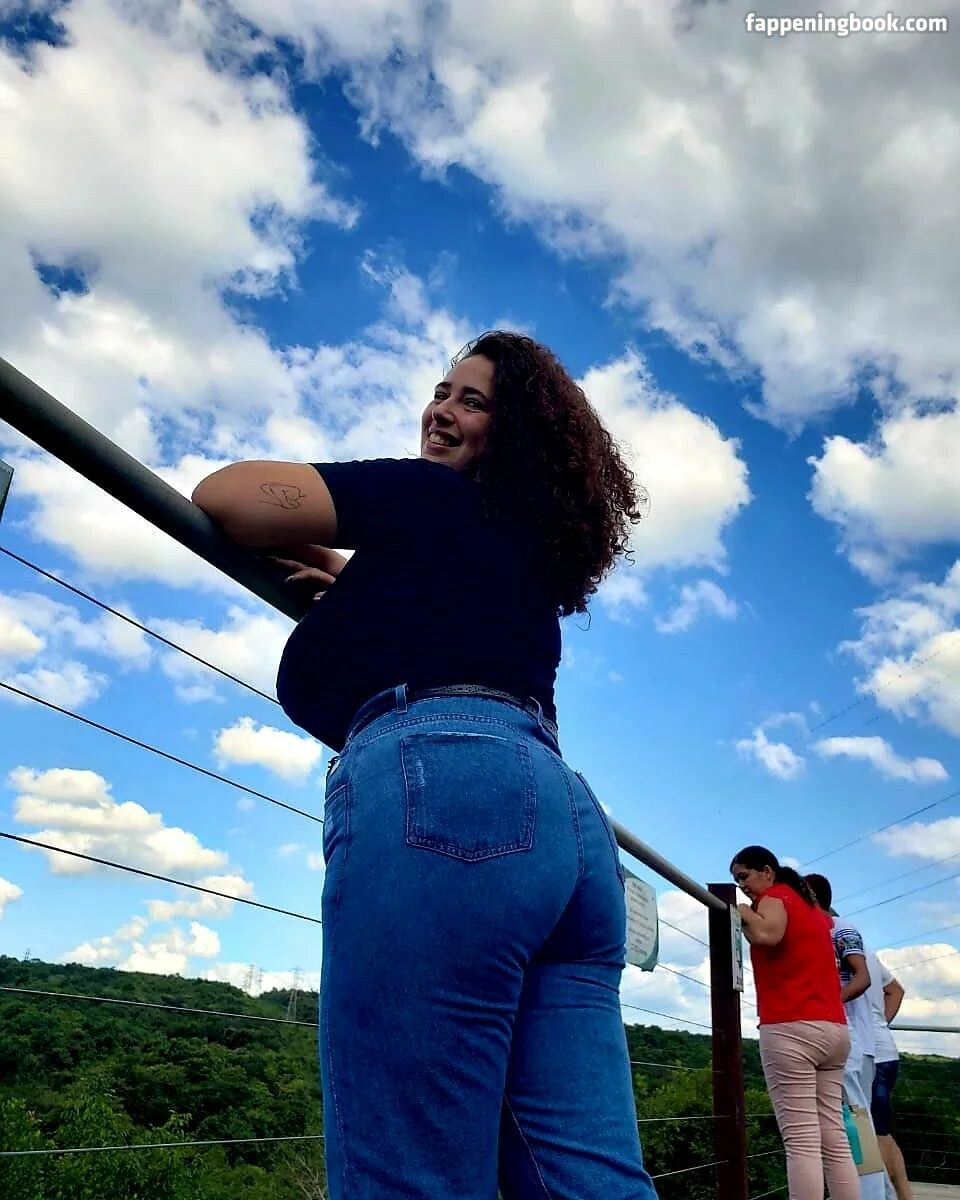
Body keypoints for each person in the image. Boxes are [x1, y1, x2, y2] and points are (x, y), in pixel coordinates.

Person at [192, 331, 657, 1200]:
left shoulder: (429, 494)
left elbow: (228, 496)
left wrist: (345, 529)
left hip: (447, 805)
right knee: (584, 1180)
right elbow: (433, 615)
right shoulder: (517, 552)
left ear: (513, 434)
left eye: (472, 401)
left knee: (411, 1176)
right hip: (569, 834)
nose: (441, 410)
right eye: (441, 391)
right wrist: (350, 583)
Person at [730, 845, 860, 1200]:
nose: (742, 885)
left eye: (744, 876)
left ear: (767, 871)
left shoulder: (774, 898)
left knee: (801, 1140)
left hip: (791, 1027)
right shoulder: (814, 911)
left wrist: (740, 910)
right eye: (737, 881)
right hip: (834, 1030)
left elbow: (767, 934)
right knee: (834, 1137)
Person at [804, 874, 886, 1200]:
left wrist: (829, 1003)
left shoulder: (840, 929)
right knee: (846, 1124)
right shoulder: (819, 932)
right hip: (842, 1039)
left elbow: (862, 977)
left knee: (855, 1123)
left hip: (851, 1042)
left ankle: (869, 1194)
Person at [865, 950, 912, 1200]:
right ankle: (903, 1195)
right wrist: (879, 1024)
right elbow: (896, 990)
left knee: (874, 1135)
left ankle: (885, 1195)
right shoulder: (867, 953)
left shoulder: (836, 949)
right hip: (885, 1053)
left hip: (869, 1056)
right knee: (881, 1132)